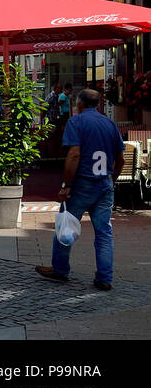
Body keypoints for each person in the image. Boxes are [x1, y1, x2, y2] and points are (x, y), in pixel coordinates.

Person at [37, 88, 125, 290]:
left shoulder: (76, 122)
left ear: (79, 104)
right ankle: (104, 277)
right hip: (104, 183)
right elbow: (120, 158)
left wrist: (66, 185)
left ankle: (60, 269)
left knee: (65, 225)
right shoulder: (110, 124)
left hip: (83, 183)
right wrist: (112, 179)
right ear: (98, 104)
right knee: (104, 232)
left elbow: (74, 154)